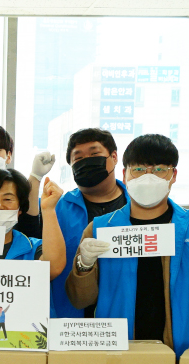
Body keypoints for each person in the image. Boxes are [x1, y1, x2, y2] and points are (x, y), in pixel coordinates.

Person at [65, 133, 189, 357]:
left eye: (159, 169)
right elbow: (79, 300)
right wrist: (84, 265)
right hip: (119, 352)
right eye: (138, 169)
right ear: (125, 174)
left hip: (182, 350)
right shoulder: (100, 228)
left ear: (173, 175)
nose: (148, 177)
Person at [53, 128, 129, 319]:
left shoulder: (137, 204)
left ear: (114, 157)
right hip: (70, 315)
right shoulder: (57, 208)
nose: (86, 161)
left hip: (125, 313)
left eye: (94, 154)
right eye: (78, 158)